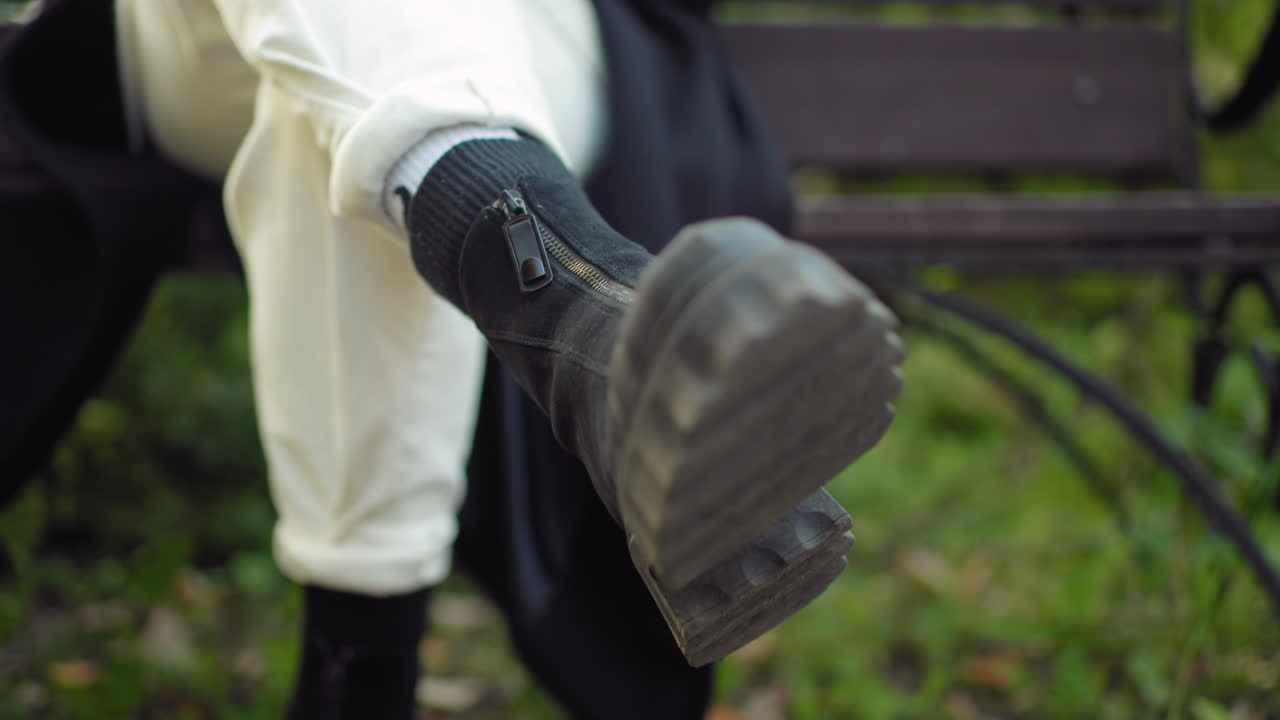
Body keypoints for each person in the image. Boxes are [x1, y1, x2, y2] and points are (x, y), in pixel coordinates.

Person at [1, 0, 903, 717]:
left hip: (535, 31)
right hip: (186, 36)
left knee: (318, 120)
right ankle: (594, 325)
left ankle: (355, 680)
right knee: (347, 86)